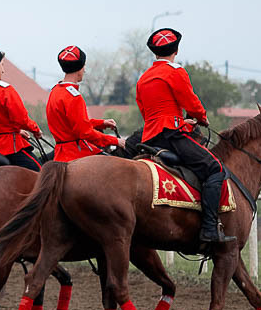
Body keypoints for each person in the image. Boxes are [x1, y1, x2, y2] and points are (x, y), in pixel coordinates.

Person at [135, 27, 232, 245]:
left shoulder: (143, 79)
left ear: (155, 52)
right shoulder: (175, 72)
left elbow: (145, 110)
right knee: (214, 168)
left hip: (150, 137)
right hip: (172, 135)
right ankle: (209, 228)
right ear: (176, 50)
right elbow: (191, 102)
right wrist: (200, 118)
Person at [46, 45, 124, 162]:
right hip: (76, 153)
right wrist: (115, 141)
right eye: (84, 66)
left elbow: (74, 124)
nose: (84, 70)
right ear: (79, 68)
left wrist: (102, 123)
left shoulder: (55, 90)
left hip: (60, 154)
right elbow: (85, 132)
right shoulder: (74, 97)